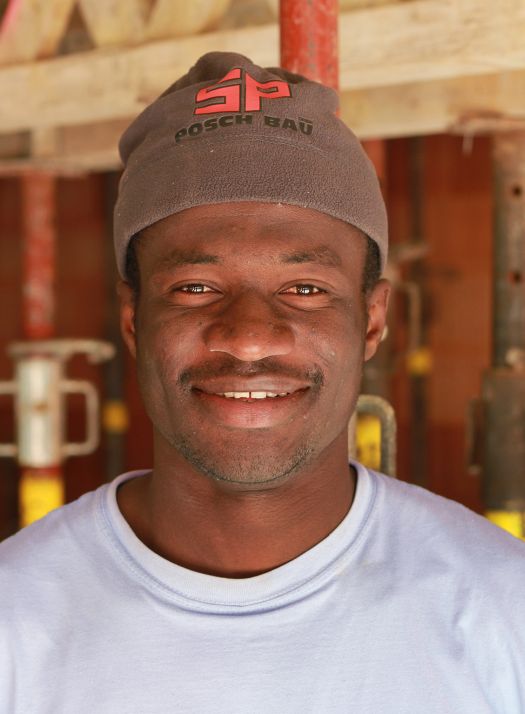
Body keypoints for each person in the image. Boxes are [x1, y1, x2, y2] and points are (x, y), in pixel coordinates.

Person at [1, 52, 524, 714]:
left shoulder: (501, 610)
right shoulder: (15, 620)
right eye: (196, 287)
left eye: (304, 289)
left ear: (371, 320)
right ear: (134, 321)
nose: (248, 337)